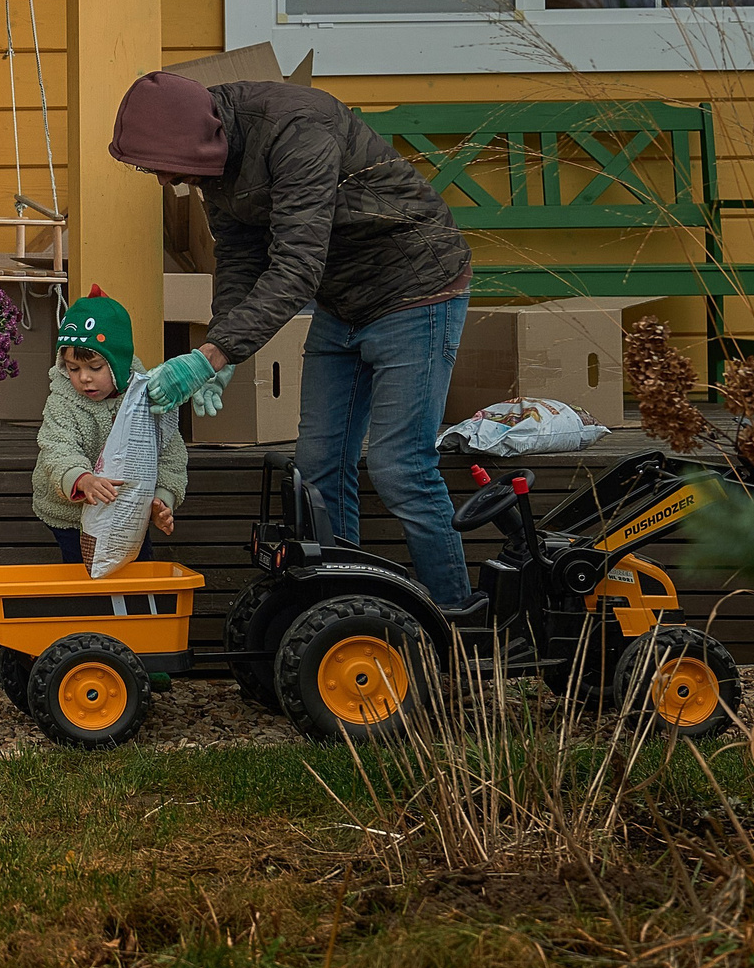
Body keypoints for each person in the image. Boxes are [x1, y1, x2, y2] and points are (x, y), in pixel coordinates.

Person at [110, 69, 478, 611]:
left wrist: (213, 355)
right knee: (317, 469)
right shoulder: (215, 155)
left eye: (159, 167)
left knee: (401, 468)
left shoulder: (296, 130)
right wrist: (224, 341)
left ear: (198, 139)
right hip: (342, 301)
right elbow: (238, 254)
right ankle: (344, 615)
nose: (163, 180)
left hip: (415, 291)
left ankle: (457, 623)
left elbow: (296, 266)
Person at [29, 287, 188, 566]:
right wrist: (82, 480)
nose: (84, 378)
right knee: (85, 576)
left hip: (130, 514)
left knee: (135, 570)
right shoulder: (62, 402)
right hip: (72, 515)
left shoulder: (146, 398)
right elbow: (58, 447)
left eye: (95, 367)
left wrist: (162, 500)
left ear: (118, 361)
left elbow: (170, 453)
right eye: (73, 368)